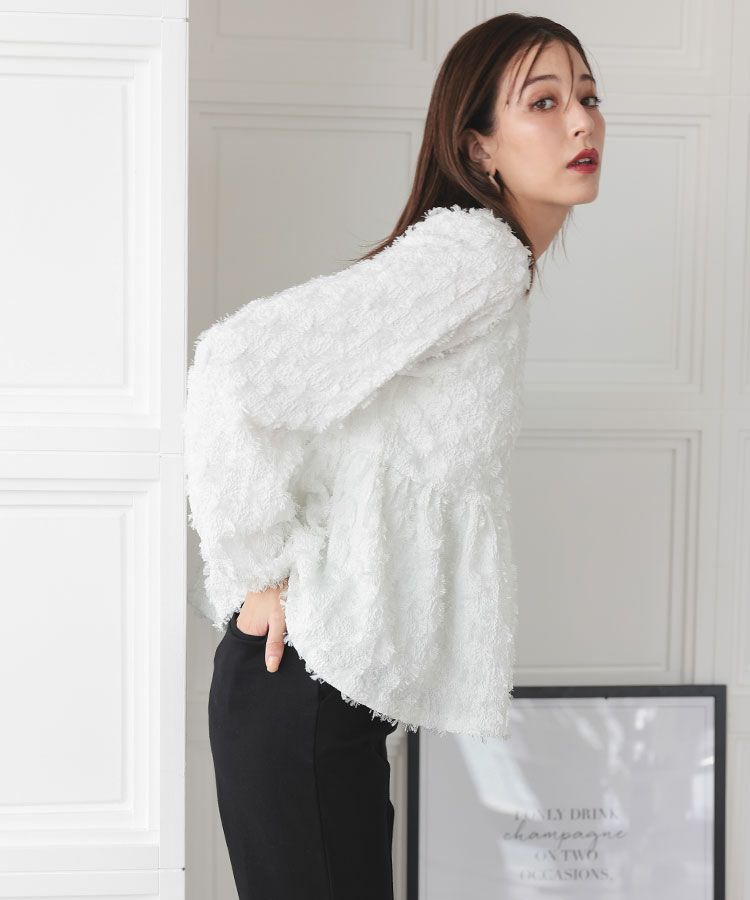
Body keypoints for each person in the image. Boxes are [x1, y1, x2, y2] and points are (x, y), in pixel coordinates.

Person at [184, 12, 605, 900]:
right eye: (544, 102)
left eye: (588, 97)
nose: (582, 122)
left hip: (327, 700)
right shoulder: (477, 256)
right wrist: (255, 573)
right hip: (300, 688)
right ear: (479, 147)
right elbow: (233, 366)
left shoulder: (491, 268)